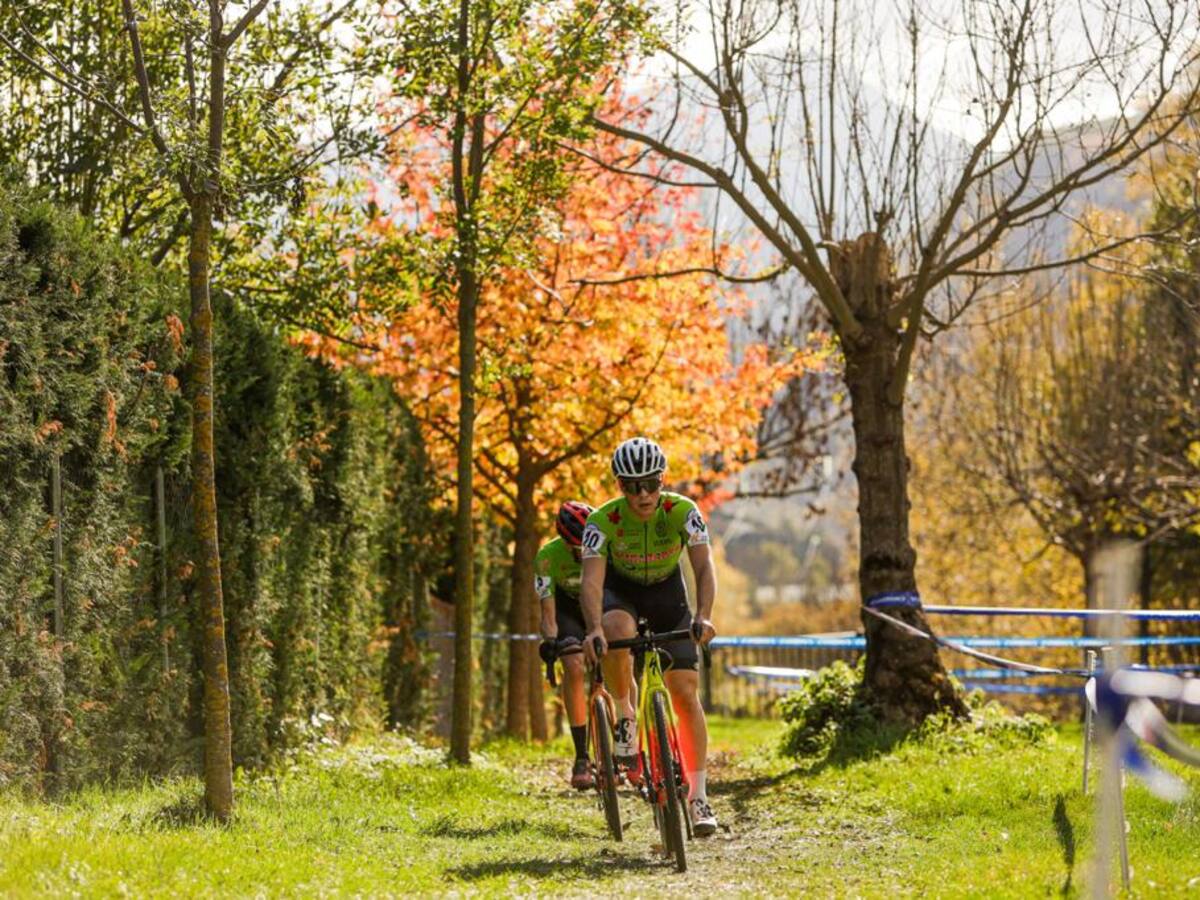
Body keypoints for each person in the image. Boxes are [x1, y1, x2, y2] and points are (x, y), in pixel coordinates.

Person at [580, 436, 719, 836]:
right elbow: (591, 582)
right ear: (619, 486)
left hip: (667, 595)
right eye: (630, 485)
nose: (642, 494)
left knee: (685, 695)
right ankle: (625, 711)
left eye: (650, 483)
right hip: (621, 593)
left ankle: (699, 797)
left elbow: (704, 568)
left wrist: (705, 616)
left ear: (663, 479)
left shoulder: (682, 511)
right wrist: (592, 629)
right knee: (615, 630)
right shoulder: (602, 521)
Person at [536, 500, 596, 790]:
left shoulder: (604, 543)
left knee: (619, 659)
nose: (583, 552)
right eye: (576, 547)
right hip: (567, 610)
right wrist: (550, 642)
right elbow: (548, 612)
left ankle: (626, 745)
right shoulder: (547, 557)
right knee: (573, 665)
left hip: (598, 604)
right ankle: (582, 755)